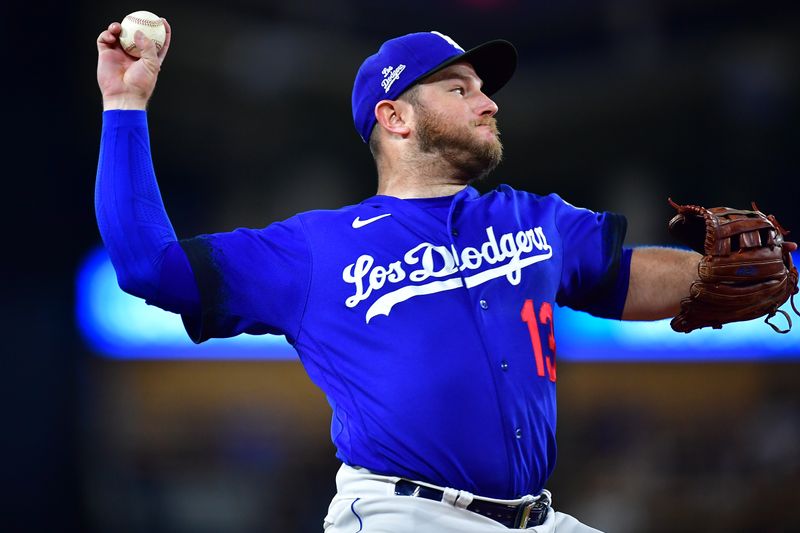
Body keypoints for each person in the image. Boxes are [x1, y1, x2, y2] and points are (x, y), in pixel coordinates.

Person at [94, 21, 784, 532]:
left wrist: (719, 272)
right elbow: (148, 264)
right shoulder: (316, 248)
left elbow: (623, 277)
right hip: (403, 513)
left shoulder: (532, 218)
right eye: (460, 89)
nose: (487, 102)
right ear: (395, 118)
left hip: (534, 518)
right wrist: (126, 105)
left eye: (485, 90)